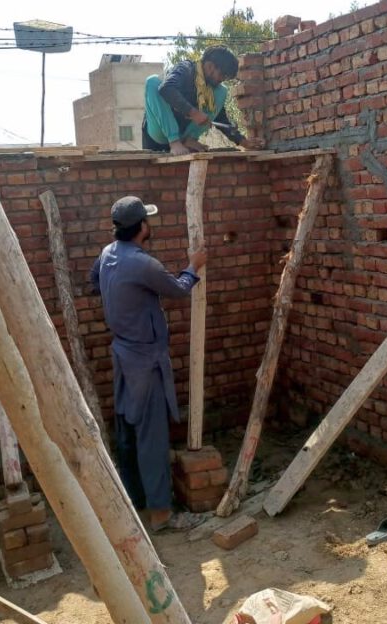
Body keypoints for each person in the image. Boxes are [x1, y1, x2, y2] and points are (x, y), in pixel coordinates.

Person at [89, 195, 208, 532]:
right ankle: (160, 514)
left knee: (127, 430)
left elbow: (94, 281)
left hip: (123, 353)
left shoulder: (107, 254)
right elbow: (179, 290)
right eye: (148, 221)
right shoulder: (143, 264)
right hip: (144, 359)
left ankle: (134, 501)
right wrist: (194, 265)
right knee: (151, 435)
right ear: (142, 226)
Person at [143, 45, 264, 155]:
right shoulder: (186, 69)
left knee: (222, 91)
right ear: (210, 66)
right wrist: (193, 113)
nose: (222, 79)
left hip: (184, 136)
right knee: (152, 82)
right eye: (222, 75)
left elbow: (220, 118)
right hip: (159, 134)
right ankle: (174, 141)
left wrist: (243, 142)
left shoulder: (214, 90)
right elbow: (166, 89)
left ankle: (189, 139)